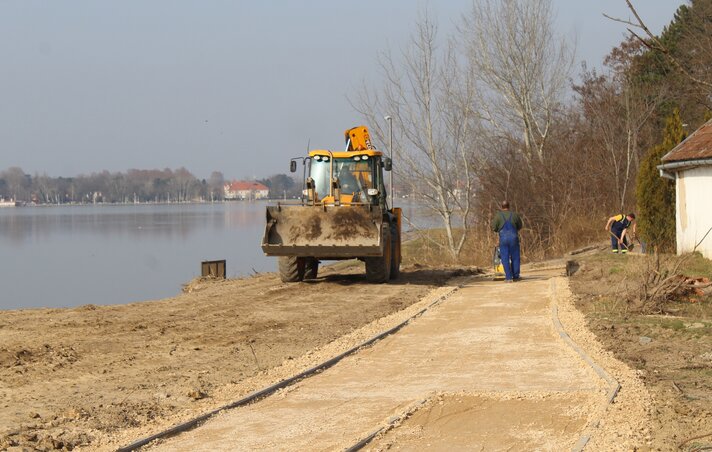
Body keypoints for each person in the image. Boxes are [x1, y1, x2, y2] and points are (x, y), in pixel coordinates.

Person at [491, 201, 523, 282]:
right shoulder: (514, 215)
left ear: (502, 207)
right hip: (514, 238)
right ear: (509, 206)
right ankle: (516, 276)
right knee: (515, 257)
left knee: (504, 258)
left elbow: (494, 227)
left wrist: (499, 230)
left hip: (503, 239)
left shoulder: (498, 215)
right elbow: (520, 226)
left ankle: (508, 277)